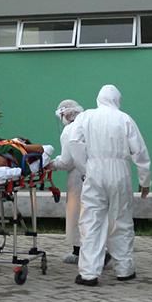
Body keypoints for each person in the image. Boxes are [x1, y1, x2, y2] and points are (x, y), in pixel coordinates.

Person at [67, 85, 151, 286]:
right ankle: (124, 269)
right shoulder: (124, 118)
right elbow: (139, 151)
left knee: (91, 221)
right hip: (120, 171)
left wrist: (85, 167)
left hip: (94, 170)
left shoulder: (85, 117)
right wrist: (145, 180)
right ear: (116, 99)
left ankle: (88, 273)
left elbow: (74, 143)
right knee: (121, 219)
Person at [48, 100, 86, 264]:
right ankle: (102, 250)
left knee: (76, 213)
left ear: (65, 114)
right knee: (97, 214)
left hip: (78, 176)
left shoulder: (69, 130)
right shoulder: (88, 124)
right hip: (96, 174)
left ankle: (79, 252)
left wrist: (51, 164)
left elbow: (67, 161)